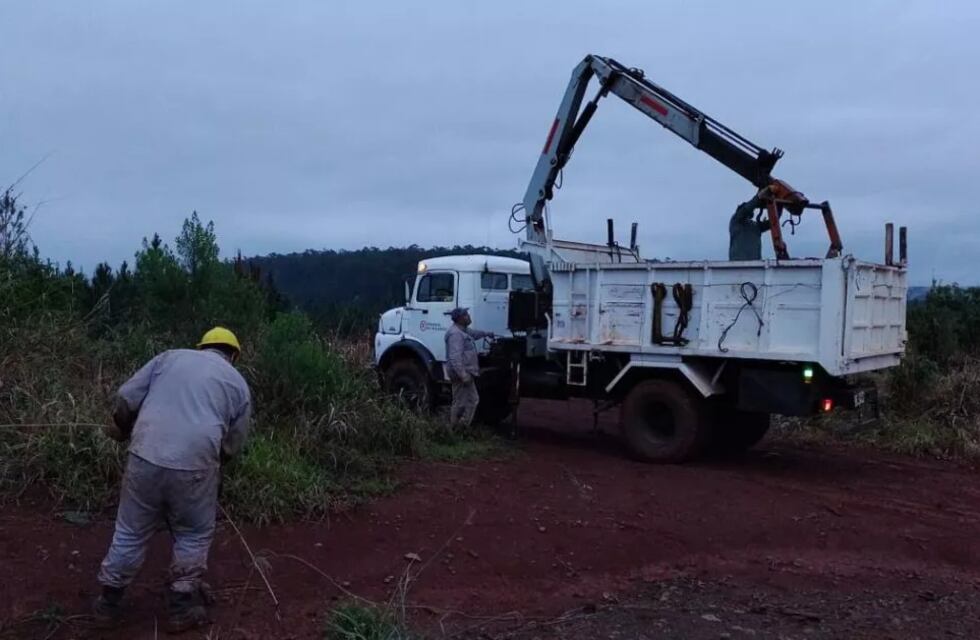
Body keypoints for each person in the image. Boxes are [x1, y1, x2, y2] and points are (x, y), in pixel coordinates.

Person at [93, 327, 252, 633]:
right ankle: (181, 607)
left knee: (130, 531)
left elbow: (126, 398)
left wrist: (123, 429)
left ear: (202, 346)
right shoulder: (238, 384)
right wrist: (216, 467)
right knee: (193, 533)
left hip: (144, 454)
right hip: (196, 465)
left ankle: (108, 603)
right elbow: (233, 443)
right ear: (233, 355)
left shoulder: (169, 358)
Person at [444, 308, 494, 429]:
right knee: (465, 400)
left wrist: (486, 333)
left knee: (467, 400)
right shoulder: (456, 334)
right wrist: (463, 375)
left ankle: (458, 427)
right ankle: (458, 427)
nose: (469, 316)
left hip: (464, 372)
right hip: (461, 373)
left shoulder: (463, 330)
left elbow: (474, 334)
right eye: (466, 315)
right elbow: (455, 357)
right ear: (460, 318)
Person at [729, 186, 773, 260]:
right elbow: (747, 208)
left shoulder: (755, 226)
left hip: (756, 265)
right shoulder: (736, 220)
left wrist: (778, 206)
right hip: (737, 265)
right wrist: (759, 196)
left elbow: (772, 222)